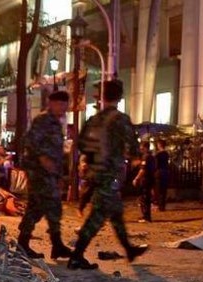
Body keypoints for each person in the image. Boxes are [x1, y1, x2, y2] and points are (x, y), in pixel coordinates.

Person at [68, 80, 148, 270]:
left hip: (95, 174)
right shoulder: (120, 119)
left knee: (115, 212)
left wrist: (88, 164)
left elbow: (81, 146)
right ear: (120, 97)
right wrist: (135, 158)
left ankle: (129, 249)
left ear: (102, 97)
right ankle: (77, 256)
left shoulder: (93, 119)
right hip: (110, 174)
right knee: (97, 217)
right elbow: (134, 147)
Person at [17, 90, 74, 261]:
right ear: (51, 103)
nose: (63, 107)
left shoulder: (57, 123)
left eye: (65, 104)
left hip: (51, 173)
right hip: (39, 172)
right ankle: (27, 244)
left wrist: (59, 176)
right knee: (45, 206)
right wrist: (42, 159)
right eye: (60, 103)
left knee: (46, 207)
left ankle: (53, 245)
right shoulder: (42, 120)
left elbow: (57, 151)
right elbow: (29, 141)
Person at [133, 141, 156, 222]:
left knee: (144, 198)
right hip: (150, 179)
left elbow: (143, 169)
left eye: (141, 147)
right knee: (146, 198)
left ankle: (146, 217)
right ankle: (146, 216)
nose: (140, 149)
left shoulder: (146, 157)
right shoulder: (151, 157)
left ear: (145, 147)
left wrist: (136, 178)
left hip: (146, 179)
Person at [153, 139, 170, 211]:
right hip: (165, 172)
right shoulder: (166, 154)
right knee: (164, 190)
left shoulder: (158, 154)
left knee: (158, 190)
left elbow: (156, 164)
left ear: (159, 145)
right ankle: (163, 206)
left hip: (159, 172)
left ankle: (159, 206)